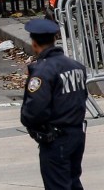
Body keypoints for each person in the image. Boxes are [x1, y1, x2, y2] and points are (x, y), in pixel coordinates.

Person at [20, 18, 88, 189]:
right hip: (76, 133)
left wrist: (32, 125)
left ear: (34, 43)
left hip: (56, 139)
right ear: (54, 39)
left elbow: (35, 109)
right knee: (73, 182)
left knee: (58, 185)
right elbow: (82, 97)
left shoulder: (43, 71)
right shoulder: (76, 66)